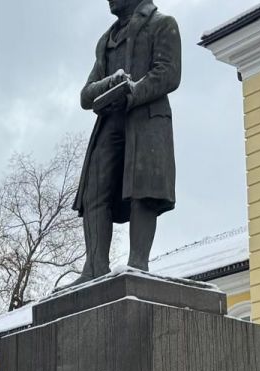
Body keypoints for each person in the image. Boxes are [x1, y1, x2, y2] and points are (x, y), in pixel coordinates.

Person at [71, 0, 181, 284]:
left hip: (145, 119)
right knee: (94, 191)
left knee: (142, 187)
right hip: (110, 121)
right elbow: (86, 95)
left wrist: (131, 91)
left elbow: (168, 73)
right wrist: (111, 84)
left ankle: (137, 264)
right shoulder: (106, 40)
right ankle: (94, 268)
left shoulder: (162, 24)